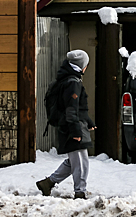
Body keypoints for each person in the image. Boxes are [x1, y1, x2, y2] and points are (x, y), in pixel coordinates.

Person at [36, 50, 97, 199]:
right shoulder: (72, 83)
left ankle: (48, 183)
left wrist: (87, 121)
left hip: (71, 125)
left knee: (74, 161)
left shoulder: (69, 80)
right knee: (81, 161)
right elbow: (71, 109)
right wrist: (76, 131)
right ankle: (80, 192)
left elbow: (76, 107)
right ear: (82, 66)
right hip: (71, 127)